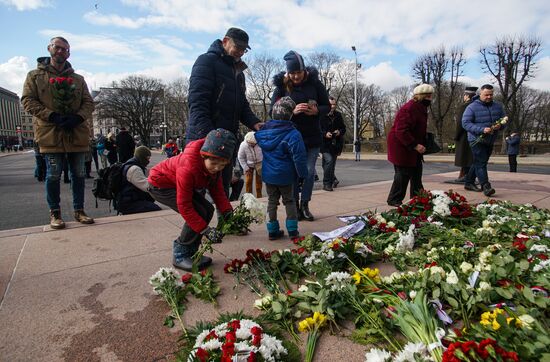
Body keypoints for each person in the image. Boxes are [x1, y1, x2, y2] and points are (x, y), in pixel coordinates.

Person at [21, 36, 95, 229]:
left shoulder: (78, 79)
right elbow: (28, 101)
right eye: (57, 47)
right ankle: (55, 213)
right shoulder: (34, 76)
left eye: (65, 49)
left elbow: (88, 102)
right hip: (50, 133)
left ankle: (79, 210)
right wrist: (52, 116)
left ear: (69, 53)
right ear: (49, 48)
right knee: (53, 175)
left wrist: (78, 117)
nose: (61, 51)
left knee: (78, 174)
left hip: (76, 132)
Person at [186, 27, 262, 197]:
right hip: (204, 140)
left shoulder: (238, 73)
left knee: (222, 191)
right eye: (238, 47)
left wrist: (254, 122)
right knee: (196, 195)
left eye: (244, 49)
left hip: (226, 141)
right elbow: (197, 103)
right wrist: (209, 138)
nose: (241, 52)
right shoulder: (206, 62)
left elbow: (242, 105)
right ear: (225, 41)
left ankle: (224, 223)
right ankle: (196, 224)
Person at [148, 128, 237, 271]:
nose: (217, 168)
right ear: (204, 156)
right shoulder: (188, 167)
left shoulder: (214, 167)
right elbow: (184, 206)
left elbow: (218, 191)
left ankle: (192, 252)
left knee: (208, 209)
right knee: (197, 211)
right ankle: (180, 254)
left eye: (222, 165)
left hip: (175, 183)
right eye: (213, 164)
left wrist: (227, 212)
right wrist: (205, 230)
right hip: (160, 185)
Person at [271, 50, 330, 221]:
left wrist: (317, 110)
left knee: (309, 171)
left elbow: (327, 105)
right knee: (295, 173)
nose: (296, 76)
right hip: (290, 138)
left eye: (299, 72)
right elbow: (272, 112)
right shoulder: (281, 87)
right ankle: (294, 205)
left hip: (312, 136)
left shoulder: (315, 84)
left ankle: (305, 204)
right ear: (288, 72)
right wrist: (292, 111)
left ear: (305, 70)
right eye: (292, 73)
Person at [255, 97, 308, 240]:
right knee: (289, 201)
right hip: (286, 175)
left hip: (268, 174)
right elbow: (299, 157)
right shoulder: (292, 134)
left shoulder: (264, 133)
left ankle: (272, 231)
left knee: (272, 201)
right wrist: (303, 175)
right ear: (290, 115)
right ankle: (292, 230)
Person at [386, 84, 434, 207]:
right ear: (422, 96)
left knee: (416, 173)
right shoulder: (410, 108)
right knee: (403, 175)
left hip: (411, 147)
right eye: (428, 96)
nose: (431, 99)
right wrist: (415, 145)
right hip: (402, 147)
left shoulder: (420, 107)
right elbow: (401, 130)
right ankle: (394, 199)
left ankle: (418, 199)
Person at [462, 84, 505, 196]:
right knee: (481, 162)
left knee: (479, 162)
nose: (489, 97)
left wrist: (500, 126)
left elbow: (503, 121)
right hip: (476, 139)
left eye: (491, 94)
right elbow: (465, 123)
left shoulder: (498, 106)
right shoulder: (471, 107)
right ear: (480, 94)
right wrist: (481, 130)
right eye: (486, 95)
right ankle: (486, 186)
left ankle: (469, 182)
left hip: (490, 140)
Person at [116, 146, 161, 215]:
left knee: (150, 200)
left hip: (128, 199)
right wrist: (160, 182)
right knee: (155, 208)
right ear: (142, 157)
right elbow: (146, 187)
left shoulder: (131, 164)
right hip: (128, 203)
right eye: (147, 158)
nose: (148, 161)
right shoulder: (134, 169)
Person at [449, 86, 478, 184]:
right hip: (476, 134)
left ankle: (465, 176)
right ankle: (469, 176)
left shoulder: (465, 106)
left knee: (465, 156)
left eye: (464, 95)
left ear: (467, 96)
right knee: (471, 157)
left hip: (464, 136)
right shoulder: (478, 105)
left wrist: (456, 135)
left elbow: (460, 123)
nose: (463, 97)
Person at [320, 96, 346, 191]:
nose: (332, 106)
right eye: (330, 104)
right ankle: (327, 183)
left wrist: (339, 132)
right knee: (329, 161)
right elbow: (317, 129)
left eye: (334, 104)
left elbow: (343, 128)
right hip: (324, 144)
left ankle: (333, 180)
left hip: (335, 143)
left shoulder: (338, 115)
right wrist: (324, 134)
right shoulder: (321, 115)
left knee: (329, 164)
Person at [237, 131, 263, 198]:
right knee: (248, 182)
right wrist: (246, 168)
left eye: (254, 143)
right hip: (248, 165)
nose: (253, 145)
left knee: (259, 182)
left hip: (259, 163)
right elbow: (240, 157)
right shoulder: (243, 145)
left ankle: (259, 197)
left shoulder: (260, 142)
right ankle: (249, 197)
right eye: (251, 143)